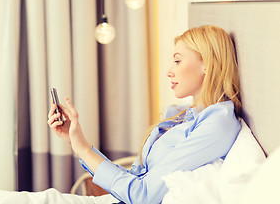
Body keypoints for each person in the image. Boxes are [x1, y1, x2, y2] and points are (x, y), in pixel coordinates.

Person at [47, 25, 242, 204]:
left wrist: (83, 150)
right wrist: (78, 143)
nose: (169, 71)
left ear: (206, 63)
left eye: (177, 61)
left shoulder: (217, 124)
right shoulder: (183, 115)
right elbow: (136, 180)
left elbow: (143, 195)